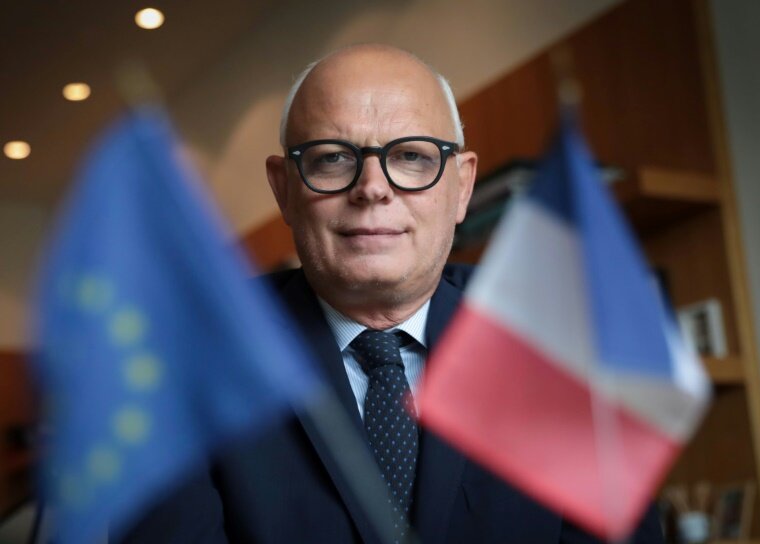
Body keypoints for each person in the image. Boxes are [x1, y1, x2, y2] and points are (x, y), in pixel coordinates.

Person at [122, 44, 663, 543]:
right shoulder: (187, 357)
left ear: (462, 187)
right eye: (332, 157)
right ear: (284, 189)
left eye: (412, 156)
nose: (373, 188)